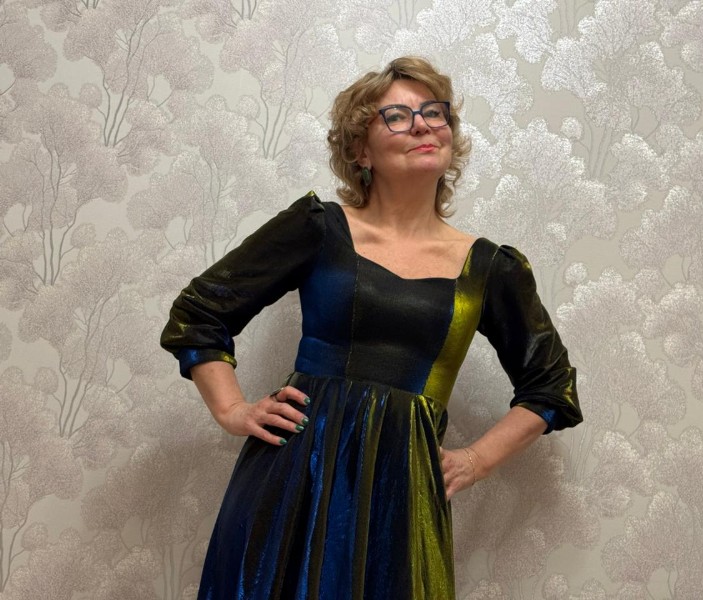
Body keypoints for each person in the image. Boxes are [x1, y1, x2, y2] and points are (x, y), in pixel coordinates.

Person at [161, 56, 582, 600]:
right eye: (399, 117)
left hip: (400, 498)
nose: (424, 125)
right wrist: (233, 409)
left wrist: (474, 461)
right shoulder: (318, 229)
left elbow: (551, 387)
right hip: (292, 479)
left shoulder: (490, 269)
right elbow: (200, 312)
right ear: (361, 150)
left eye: (435, 112)